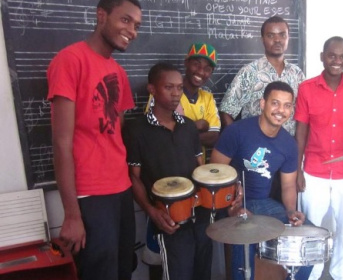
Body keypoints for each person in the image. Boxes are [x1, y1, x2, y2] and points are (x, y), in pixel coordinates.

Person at [46, 1, 141, 279]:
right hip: (89, 195)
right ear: (102, 15)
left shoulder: (118, 73)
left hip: (121, 188)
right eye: (125, 20)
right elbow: (61, 143)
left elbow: (116, 128)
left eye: (136, 25)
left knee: (124, 269)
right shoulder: (70, 60)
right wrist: (72, 214)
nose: (132, 31)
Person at [211, 81, 312, 280]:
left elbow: (289, 185)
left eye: (287, 105)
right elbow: (214, 174)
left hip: (265, 203)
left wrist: (291, 211)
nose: (280, 110)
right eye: (275, 103)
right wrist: (231, 207)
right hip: (233, 201)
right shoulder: (237, 131)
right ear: (262, 103)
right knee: (244, 240)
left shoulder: (289, 144)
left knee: (308, 243)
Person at [127, 62, 213, 280]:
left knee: (202, 272)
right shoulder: (136, 130)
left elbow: (200, 167)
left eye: (179, 88)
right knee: (177, 273)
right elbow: (134, 178)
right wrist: (151, 211)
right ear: (152, 89)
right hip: (169, 219)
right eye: (168, 87)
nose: (176, 94)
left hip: (199, 215)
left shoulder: (188, 127)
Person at [294, 36, 343, 280]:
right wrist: (298, 170)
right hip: (314, 170)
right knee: (312, 228)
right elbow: (301, 131)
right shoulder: (306, 88)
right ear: (322, 57)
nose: (337, 61)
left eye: (342, 56)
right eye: (332, 55)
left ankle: (342, 273)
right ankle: (311, 274)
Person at [219, 16, 305, 136]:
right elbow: (226, 111)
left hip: (287, 149)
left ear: (288, 38)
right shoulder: (249, 72)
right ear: (262, 39)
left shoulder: (298, 74)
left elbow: (303, 117)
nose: (277, 40)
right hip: (255, 151)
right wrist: (240, 142)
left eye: (282, 35)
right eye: (270, 35)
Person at [144, 42, 221, 162]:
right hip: (164, 165)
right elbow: (154, 135)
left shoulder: (208, 98)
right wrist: (196, 127)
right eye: (196, 65)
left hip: (197, 170)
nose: (201, 72)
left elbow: (213, 137)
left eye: (207, 69)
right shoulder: (164, 92)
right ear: (186, 63)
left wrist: (178, 134)